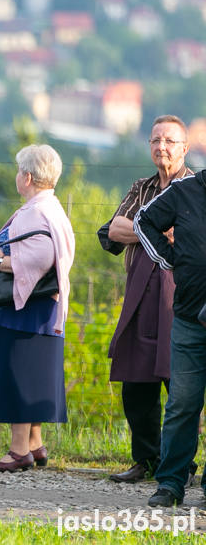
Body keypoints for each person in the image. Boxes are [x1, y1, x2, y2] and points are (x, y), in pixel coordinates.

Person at [106, 115, 193, 484]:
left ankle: (181, 466)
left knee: (180, 385)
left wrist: (140, 228)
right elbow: (114, 228)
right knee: (136, 381)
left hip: (183, 293)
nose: (162, 147)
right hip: (140, 293)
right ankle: (146, 458)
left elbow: (188, 234)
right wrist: (157, 229)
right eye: (156, 140)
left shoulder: (195, 188)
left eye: (170, 141)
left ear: (184, 148)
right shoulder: (140, 187)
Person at [0, 144, 75, 472]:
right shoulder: (51, 207)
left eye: (19, 171)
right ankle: (34, 443)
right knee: (31, 375)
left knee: (17, 375)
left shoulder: (35, 211)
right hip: (38, 309)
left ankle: (19, 450)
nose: (17, 176)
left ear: (28, 177)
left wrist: (0, 261)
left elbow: (40, 254)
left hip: (22, 311)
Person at [134, 150, 206, 508]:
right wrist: (171, 260)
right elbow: (143, 221)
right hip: (191, 319)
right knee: (182, 403)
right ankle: (171, 483)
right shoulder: (185, 190)